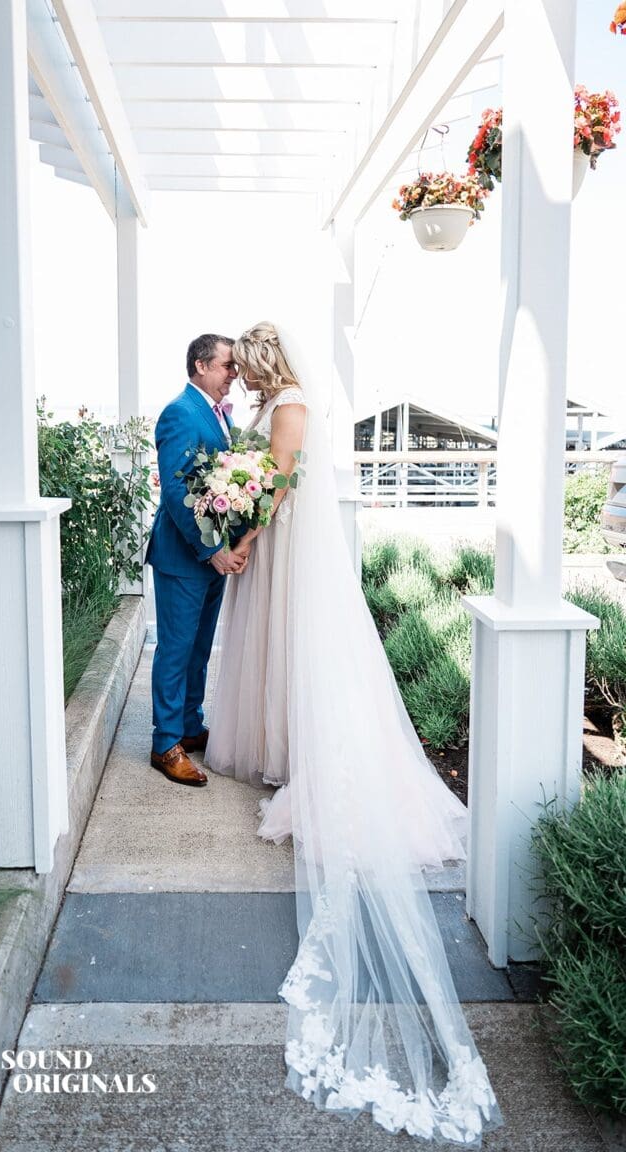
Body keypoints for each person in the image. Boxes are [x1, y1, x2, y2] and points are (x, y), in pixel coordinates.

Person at [204, 322, 503, 1145]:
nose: (250, 377)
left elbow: (283, 482)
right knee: (271, 653)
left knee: (299, 653)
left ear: (268, 363)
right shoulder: (276, 404)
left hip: (289, 546)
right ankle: (278, 745)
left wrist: (246, 530)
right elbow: (262, 472)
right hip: (275, 545)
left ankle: (312, 756)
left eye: (251, 366)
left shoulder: (291, 404)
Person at [145, 334, 247, 788]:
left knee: (200, 649)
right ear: (202, 365)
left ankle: (189, 723)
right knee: (176, 650)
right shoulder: (180, 413)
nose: (235, 375)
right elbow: (178, 492)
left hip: (212, 558)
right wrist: (212, 550)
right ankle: (165, 743)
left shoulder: (220, 415)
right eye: (229, 366)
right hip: (185, 556)